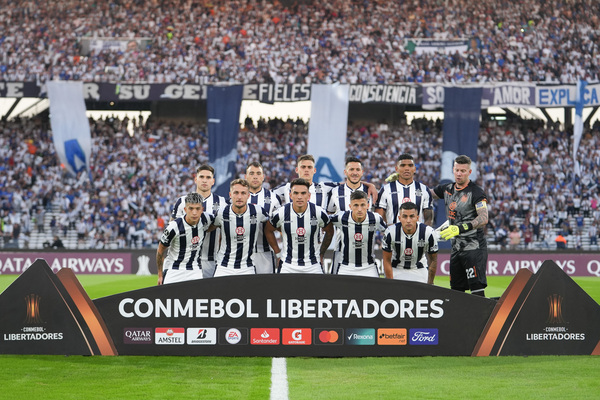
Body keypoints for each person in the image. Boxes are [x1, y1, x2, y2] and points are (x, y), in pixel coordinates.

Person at [432, 155, 489, 297]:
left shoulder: (476, 192)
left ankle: (481, 319)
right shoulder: (447, 189)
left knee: (476, 291)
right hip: (456, 249)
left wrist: (460, 228)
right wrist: (403, 183)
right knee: (456, 292)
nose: (459, 173)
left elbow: (483, 218)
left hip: (474, 248)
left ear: (469, 172)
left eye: (463, 171)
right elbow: (427, 194)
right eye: (457, 170)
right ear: (453, 170)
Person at [265, 178, 334, 274]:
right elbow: (268, 230)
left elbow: (330, 231)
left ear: (308, 196)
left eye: (303, 193)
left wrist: (321, 252)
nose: (299, 197)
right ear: (290, 195)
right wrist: (278, 253)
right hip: (287, 265)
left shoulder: (319, 212)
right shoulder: (281, 213)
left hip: (313, 265)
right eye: (296, 193)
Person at [170, 165, 226, 278]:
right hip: (185, 262)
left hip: (211, 260)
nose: (204, 180)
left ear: (213, 181)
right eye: (201, 177)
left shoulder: (223, 202)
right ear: (196, 179)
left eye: (208, 177)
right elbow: (172, 230)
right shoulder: (182, 201)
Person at [212, 179, 277, 277]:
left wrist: (279, 252)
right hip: (223, 266)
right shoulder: (221, 213)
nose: (239, 197)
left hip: (247, 267)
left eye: (243, 193)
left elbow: (272, 227)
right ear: (230, 195)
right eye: (236, 193)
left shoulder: (258, 211)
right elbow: (209, 228)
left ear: (248, 195)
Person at [327, 156, 374, 273]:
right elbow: (331, 212)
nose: (354, 173)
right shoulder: (335, 191)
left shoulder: (370, 192)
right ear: (345, 172)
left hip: (365, 250)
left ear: (362, 172)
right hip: (340, 248)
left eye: (357, 170)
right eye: (351, 169)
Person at [157, 192, 214, 285]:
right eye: (191, 208)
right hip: (174, 270)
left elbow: (218, 223)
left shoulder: (207, 219)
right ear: (185, 209)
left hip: (195, 270)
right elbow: (160, 250)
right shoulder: (174, 227)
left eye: (197, 209)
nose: (194, 212)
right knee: (170, 299)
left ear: (202, 209)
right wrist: (160, 274)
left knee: (197, 299)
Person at [329, 190, 386, 277]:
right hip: (345, 267)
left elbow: (389, 231)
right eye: (356, 205)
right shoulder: (341, 217)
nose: (359, 209)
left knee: (375, 291)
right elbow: (323, 220)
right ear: (350, 206)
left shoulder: (375, 218)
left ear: (367, 205)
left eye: (362, 205)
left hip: (369, 267)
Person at [382, 202, 438, 284]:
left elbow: (433, 260)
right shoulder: (390, 232)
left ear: (417, 218)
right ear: (399, 218)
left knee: (424, 295)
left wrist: (430, 283)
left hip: (419, 268)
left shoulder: (428, 232)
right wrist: (391, 284)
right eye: (405, 216)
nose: (408, 220)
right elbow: (386, 260)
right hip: (396, 268)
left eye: (412, 216)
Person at [375, 153, 433, 226]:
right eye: (402, 165)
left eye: (410, 165)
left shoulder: (424, 189)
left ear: (414, 169)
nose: (407, 168)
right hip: (393, 236)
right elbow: (379, 217)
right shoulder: (386, 190)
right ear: (397, 169)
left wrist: (423, 233)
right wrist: (390, 230)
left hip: (417, 236)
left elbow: (428, 219)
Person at [245, 161, 281, 274]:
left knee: (266, 289)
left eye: (258, 173)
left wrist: (279, 253)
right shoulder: (237, 197)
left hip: (266, 253)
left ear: (263, 177)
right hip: (243, 253)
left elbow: (280, 227)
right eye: (251, 173)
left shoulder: (273, 198)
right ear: (246, 177)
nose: (255, 176)